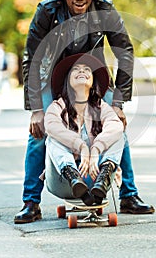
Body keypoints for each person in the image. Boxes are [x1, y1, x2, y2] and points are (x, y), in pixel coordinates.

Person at [14, 0, 155, 224]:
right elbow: (31, 57)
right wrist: (36, 108)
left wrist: (119, 103)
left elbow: (125, 52)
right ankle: (30, 203)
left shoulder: (105, 9)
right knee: (39, 133)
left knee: (117, 128)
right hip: (53, 78)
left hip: (91, 76)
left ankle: (128, 195)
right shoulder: (47, 10)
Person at [43, 53, 124, 206]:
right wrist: (81, 146)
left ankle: (104, 178)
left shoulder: (101, 107)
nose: (82, 71)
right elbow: (51, 126)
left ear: (93, 82)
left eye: (87, 69)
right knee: (52, 138)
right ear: (67, 81)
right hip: (63, 180)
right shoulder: (57, 106)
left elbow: (115, 126)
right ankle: (73, 176)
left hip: (95, 176)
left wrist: (96, 150)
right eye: (76, 69)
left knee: (119, 134)